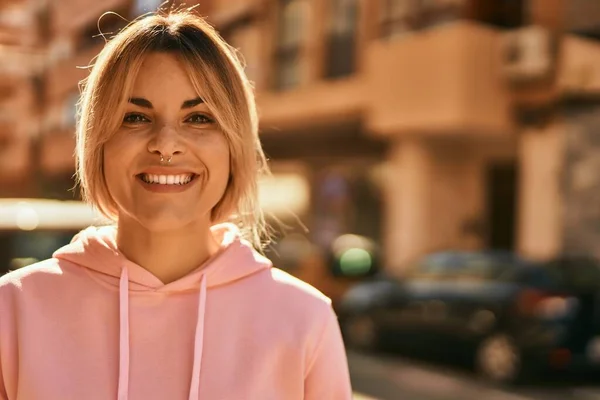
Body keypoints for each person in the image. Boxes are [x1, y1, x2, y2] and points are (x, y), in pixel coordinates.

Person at [0, 8, 352, 400]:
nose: (166, 144)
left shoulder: (304, 320)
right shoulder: (13, 309)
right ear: (98, 141)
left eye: (199, 118)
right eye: (135, 117)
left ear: (234, 146)